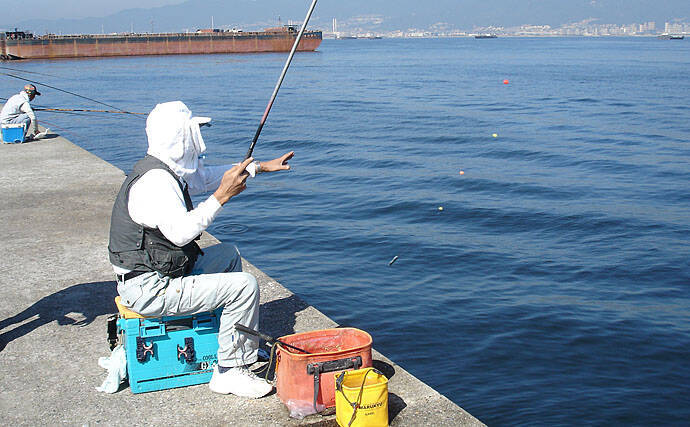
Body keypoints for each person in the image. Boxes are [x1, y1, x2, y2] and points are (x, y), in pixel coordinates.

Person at [108, 100, 294, 398]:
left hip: (156, 276)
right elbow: (181, 234)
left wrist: (260, 167)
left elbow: (208, 177)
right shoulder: (155, 182)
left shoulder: (164, 170)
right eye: (193, 132)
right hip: (148, 289)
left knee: (228, 255)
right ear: (180, 137)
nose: (199, 141)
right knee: (244, 286)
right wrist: (222, 197)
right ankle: (228, 372)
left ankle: (234, 345)